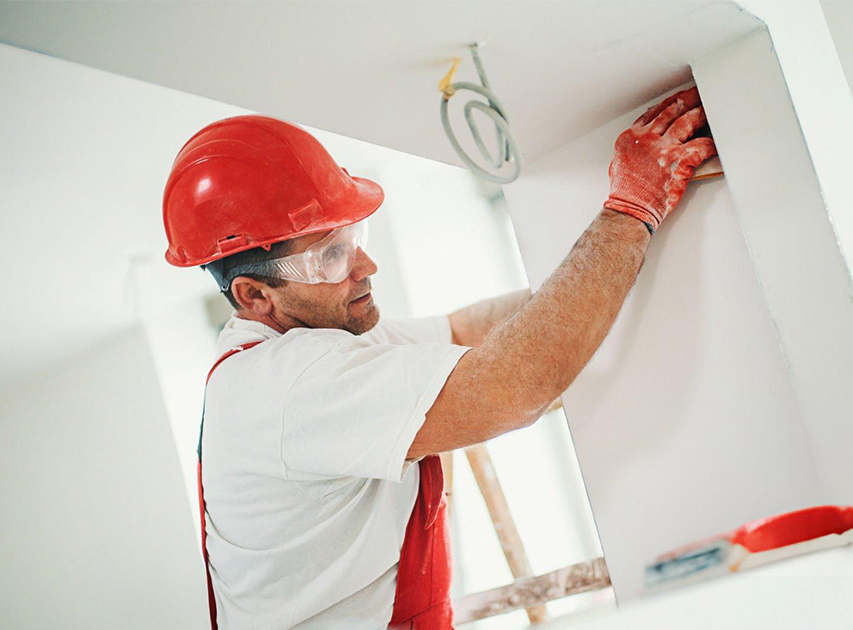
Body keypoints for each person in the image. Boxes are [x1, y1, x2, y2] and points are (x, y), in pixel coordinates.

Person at [161, 86, 715, 629]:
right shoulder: (287, 385)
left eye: (354, 237)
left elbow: (466, 330)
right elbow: (512, 389)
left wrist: (612, 250)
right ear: (256, 297)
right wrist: (629, 211)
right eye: (330, 256)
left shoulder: (313, 346)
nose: (365, 266)